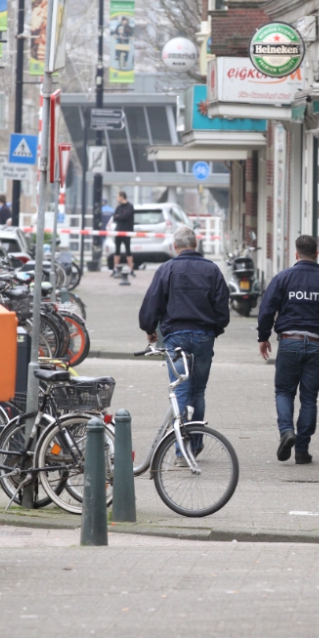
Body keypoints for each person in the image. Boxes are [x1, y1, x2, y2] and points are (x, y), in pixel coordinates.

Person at [139, 226, 229, 458]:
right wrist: (214, 330)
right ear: (195, 245)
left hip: (176, 338)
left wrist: (150, 329)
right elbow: (222, 308)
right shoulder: (212, 270)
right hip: (203, 338)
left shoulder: (167, 269)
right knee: (198, 392)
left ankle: (181, 452)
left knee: (180, 392)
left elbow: (152, 302)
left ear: (175, 247)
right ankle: (196, 444)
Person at [257, 235, 319, 464]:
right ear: (316, 254)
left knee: (284, 392)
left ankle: (287, 431)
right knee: (309, 398)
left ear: (296, 254)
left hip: (289, 342)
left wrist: (263, 337)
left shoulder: (283, 278)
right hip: (317, 345)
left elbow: (267, 308)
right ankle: (302, 449)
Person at [112, 191, 135, 278]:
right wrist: (119, 216)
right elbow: (115, 217)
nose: (117, 199)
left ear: (122, 197)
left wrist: (119, 216)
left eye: (117, 197)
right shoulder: (118, 207)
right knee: (117, 251)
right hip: (118, 231)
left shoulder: (130, 207)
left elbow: (125, 216)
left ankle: (131, 270)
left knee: (128, 251)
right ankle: (115, 269)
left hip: (127, 231)